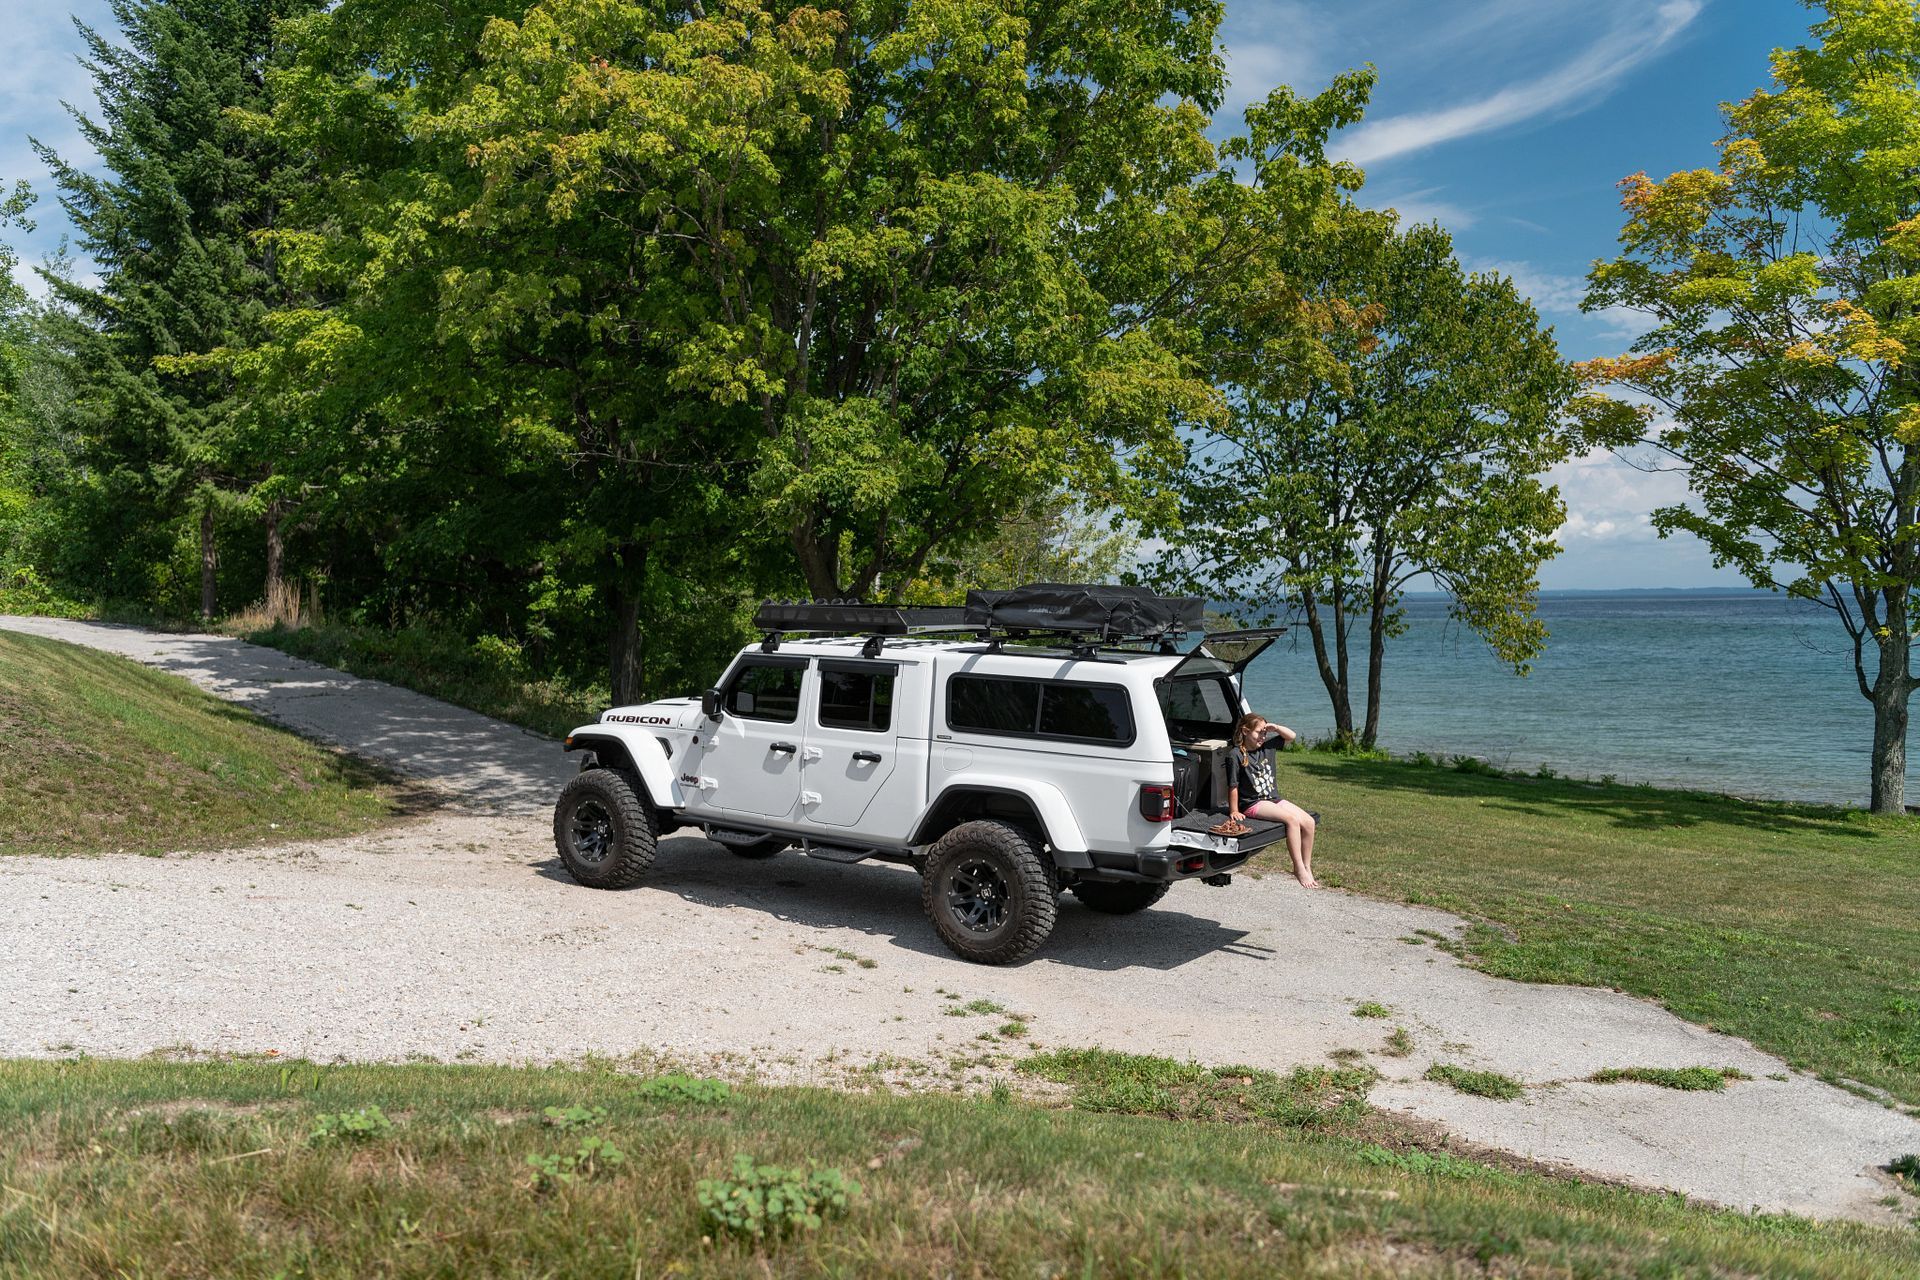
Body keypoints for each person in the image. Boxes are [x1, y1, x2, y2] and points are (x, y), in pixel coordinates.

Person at [1226, 711, 1318, 887]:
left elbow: (1292, 736)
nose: (1262, 736)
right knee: (1291, 821)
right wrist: (1234, 810)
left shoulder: (1267, 747)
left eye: (1264, 733)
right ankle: (1298, 867)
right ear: (1245, 731)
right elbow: (1233, 785)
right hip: (1253, 803)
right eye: (1259, 732)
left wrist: (1275, 727)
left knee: (1308, 822)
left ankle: (1307, 866)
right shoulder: (1235, 755)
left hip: (1273, 799)